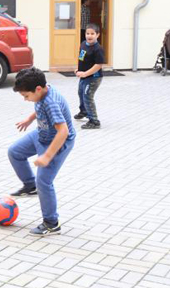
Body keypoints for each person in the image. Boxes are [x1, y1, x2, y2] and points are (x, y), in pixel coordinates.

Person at [8, 67, 76, 236]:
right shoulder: (43, 89)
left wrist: (47, 156)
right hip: (41, 134)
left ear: (38, 89)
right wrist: (29, 119)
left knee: (44, 182)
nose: (26, 99)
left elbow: (63, 132)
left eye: (26, 96)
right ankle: (30, 185)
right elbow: (39, 105)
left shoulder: (51, 102)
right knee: (14, 152)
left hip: (57, 142)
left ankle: (52, 223)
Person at [74, 23, 104, 129]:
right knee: (81, 92)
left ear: (97, 35)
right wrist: (78, 69)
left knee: (87, 96)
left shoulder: (98, 49)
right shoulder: (83, 44)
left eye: (92, 33)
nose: (89, 36)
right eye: (87, 33)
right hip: (84, 76)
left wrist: (85, 73)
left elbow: (98, 65)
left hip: (93, 78)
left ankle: (94, 121)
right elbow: (81, 58)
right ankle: (84, 111)